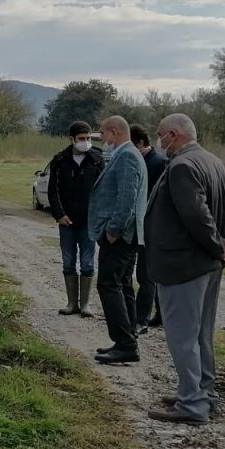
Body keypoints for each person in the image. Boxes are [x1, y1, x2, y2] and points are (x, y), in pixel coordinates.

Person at [144, 114, 225, 424]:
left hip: (183, 264)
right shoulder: (213, 161)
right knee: (201, 333)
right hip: (208, 263)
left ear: (173, 134)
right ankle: (203, 392)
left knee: (182, 336)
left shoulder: (183, 166)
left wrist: (217, 244)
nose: (159, 140)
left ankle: (192, 404)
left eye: (160, 134)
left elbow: (196, 216)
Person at [89, 116, 149, 364]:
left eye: (103, 133)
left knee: (108, 284)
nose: (101, 139)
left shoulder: (126, 157)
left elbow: (127, 199)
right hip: (126, 235)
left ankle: (125, 343)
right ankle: (126, 339)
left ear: (114, 132)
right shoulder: (129, 155)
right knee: (123, 285)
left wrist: (113, 231)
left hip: (121, 236)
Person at [48, 120, 105, 317]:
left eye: (88, 138)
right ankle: (72, 303)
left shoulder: (97, 159)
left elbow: (103, 190)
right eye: (82, 139)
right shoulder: (60, 160)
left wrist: (99, 216)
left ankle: (86, 304)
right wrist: (59, 214)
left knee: (88, 262)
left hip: (89, 221)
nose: (86, 142)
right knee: (68, 261)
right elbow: (52, 191)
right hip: (67, 221)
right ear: (72, 139)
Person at [131, 124, 167, 334]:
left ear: (140, 143)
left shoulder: (159, 163)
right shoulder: (141, 160)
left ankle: (141, 319)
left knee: (146, 275)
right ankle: (161, 315)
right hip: (139, 225)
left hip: (152, 227)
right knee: (149, 274)